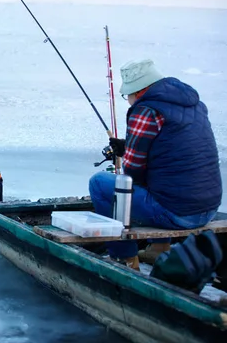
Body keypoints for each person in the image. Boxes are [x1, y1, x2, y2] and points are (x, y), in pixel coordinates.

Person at [88, 59, 223, 270]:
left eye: (128, 96)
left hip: (177, 214)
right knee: (164, 180)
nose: (128, 101)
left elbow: (132, 170)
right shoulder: (194, 105)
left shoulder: (146, 110)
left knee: (99, 183)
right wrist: (128, 146)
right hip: (209, 208)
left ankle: (124, 257)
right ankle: (159, 249)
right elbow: (175, 150)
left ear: (138, 92)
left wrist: (130, 153)